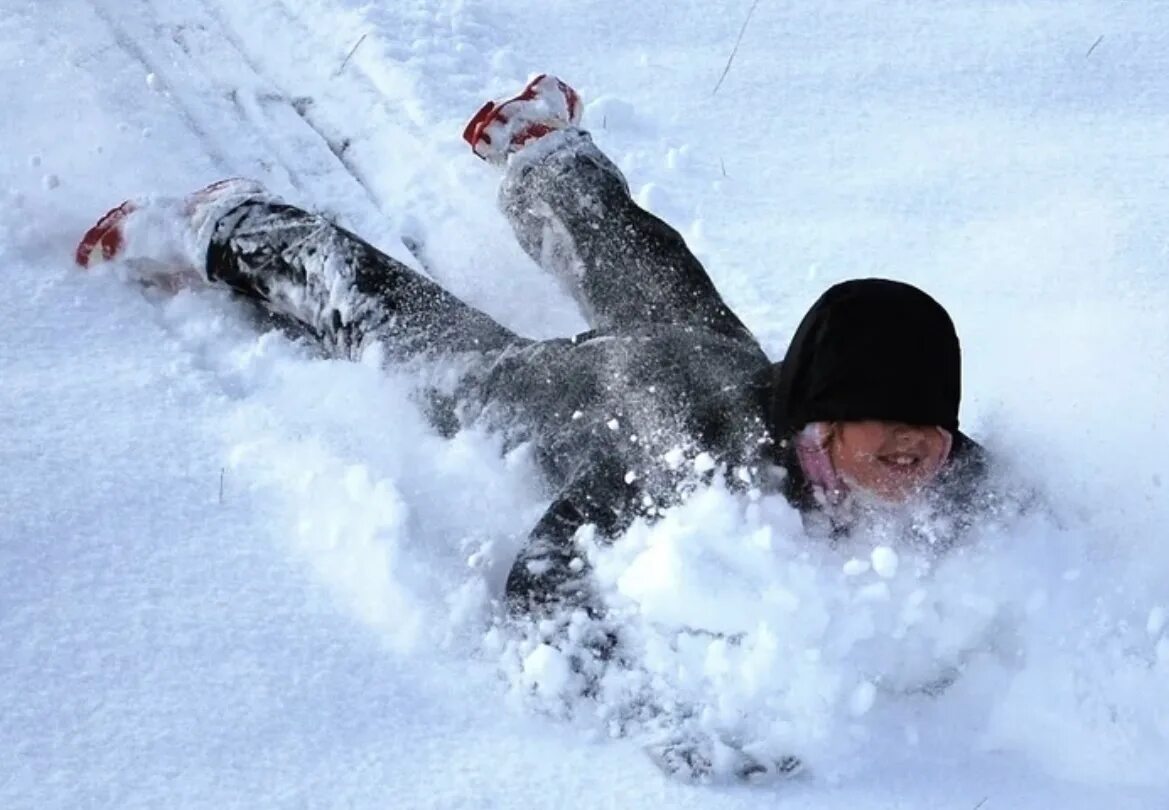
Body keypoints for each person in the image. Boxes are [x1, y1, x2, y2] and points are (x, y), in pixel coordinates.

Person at [76, 74, 999, 619]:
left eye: (930, 433)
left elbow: (1017, 506)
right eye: (891, 433)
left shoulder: (937, 456)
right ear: (825, 422)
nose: (919, 455)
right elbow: (551, 573)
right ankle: (225, 225)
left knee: (648, 263)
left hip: (710, 362)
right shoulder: (698, 469)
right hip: (594, 393)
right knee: (402, 333)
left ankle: (543, 150)